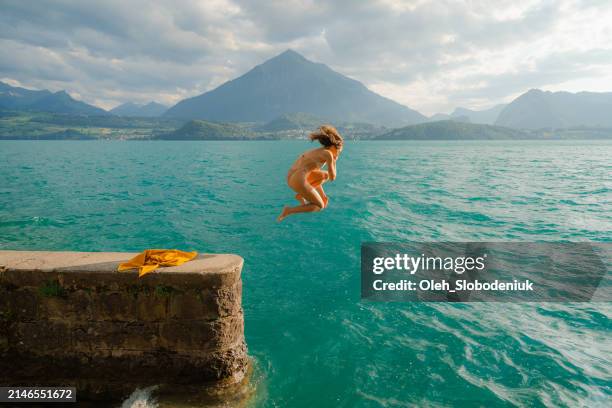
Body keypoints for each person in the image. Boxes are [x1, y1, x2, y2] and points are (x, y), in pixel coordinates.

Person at [277, 125, 343, 222]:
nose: (339, 152)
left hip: (292, 176)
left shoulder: (317, 152)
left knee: (325, 175)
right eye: (340, 149)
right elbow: (333, 177)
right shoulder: (328, 154)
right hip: (298, 179)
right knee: (319, 206)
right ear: (334, 146)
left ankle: (301, 195)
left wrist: (323, 195)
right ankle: (289, 210)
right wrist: (334, 161)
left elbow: (319, 176)